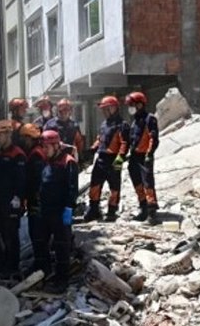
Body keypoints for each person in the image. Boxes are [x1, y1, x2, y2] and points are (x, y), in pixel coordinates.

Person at [34, 130, 78, 292]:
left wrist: (68, 208)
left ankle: (62, 280)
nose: (44, 150)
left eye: (46, 147)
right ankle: (44, 274)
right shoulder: (47, 162)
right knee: (41, 242)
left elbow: (72, 188)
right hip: (46, 209)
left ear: (55, 145)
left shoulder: (68, 162)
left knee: (61, 246)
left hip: (60, 211)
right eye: (43, 147)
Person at [0, 120, 26, 278]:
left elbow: (21, 180)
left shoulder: (18, 154)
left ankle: (12, 267)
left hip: (12, 202)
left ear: (8, 134)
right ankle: (0, 262)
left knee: (10, 236)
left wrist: (18, 199)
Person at [82, 95, 129, 223]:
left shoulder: (122, 125)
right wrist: (92, 149)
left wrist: (120, 158)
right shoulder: (104, 124)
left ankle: (112, 211)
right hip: (101, 159)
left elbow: (124, 143)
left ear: (113, 108)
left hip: (114, 159)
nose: (103, 112)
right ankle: (94, 210)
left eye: (106, 109)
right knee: (95, 185)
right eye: (103, 109)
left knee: (114, 188)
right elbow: (100, 139)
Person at [125, 91, 161, 225]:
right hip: (134, 157)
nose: (130, 108)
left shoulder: (149, 119)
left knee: (147, 184)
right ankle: (143, 208)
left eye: (132, 105)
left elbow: (153, 138)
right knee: (137, 183)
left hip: (144, 156)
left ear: (140, 104)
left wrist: (149, 154)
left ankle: (152, 213)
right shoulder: (135, 121)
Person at [22, 123, 48, 275]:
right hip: (36, 199)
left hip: (37, 200)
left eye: (25, 138)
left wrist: (32, 197)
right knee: (37, 233)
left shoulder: (36, 155)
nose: (23, 141)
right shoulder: (36, 152)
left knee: (37, 233)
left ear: (30, 138)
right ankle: (40, 263)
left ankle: (41, 265)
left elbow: (37, 179)